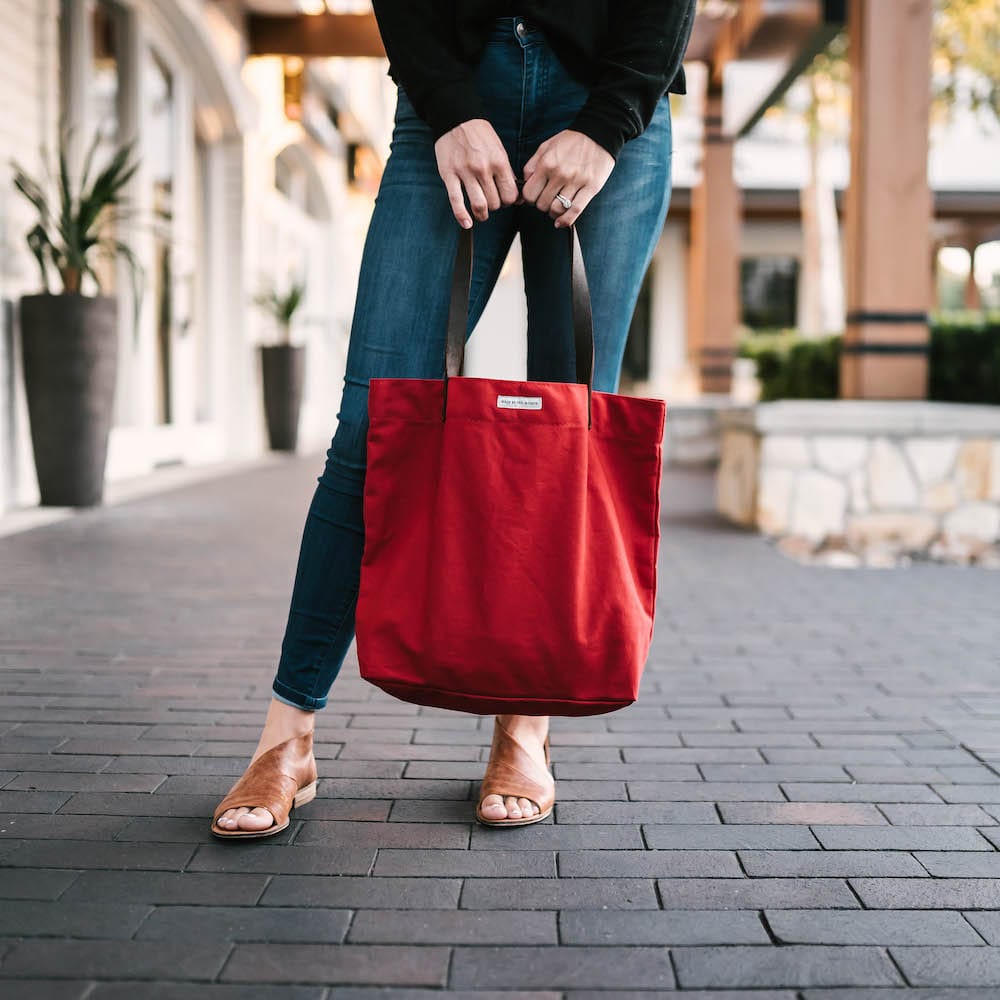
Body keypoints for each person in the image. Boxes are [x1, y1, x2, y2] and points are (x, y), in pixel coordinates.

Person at [211, 1, 696, 838]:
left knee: (570, 435)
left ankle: (525, 729)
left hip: (607, 104)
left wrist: (608, 122)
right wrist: (449, 104)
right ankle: (286, 737)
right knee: (374, 426)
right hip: (453, 100)